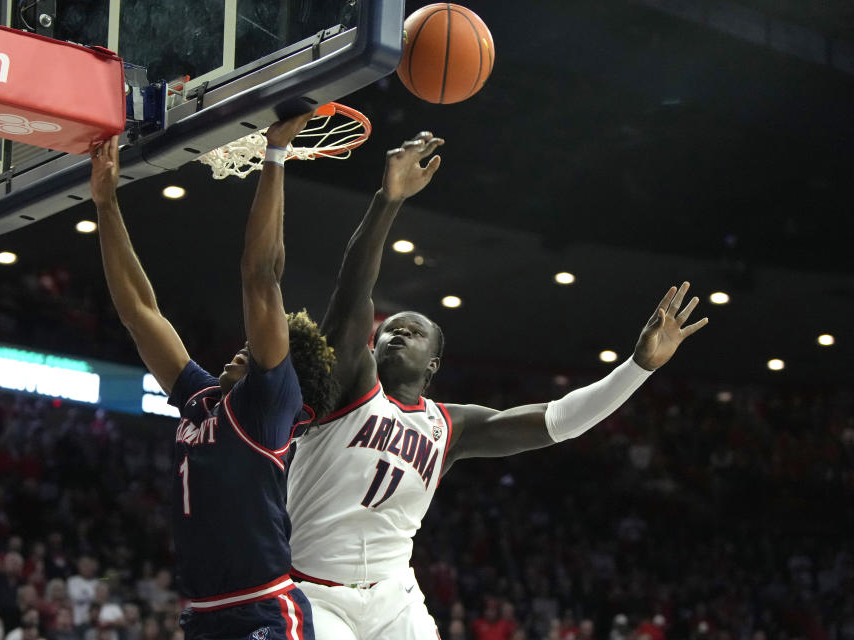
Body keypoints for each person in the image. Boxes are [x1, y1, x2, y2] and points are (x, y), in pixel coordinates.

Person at [286, 131, 709, 639]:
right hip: (314, 590)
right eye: (388, 328)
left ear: (434, 363)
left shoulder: (451, 427)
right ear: (370, 346)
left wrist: (637, 367)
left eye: (413, 329)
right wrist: (387, 201)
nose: (396, 331)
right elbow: (353, 292)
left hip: (393, 597)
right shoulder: (348, 387)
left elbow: (559, 422)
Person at [89, 111, 338, 639]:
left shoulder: (269, 408)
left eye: (253, 351)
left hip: (263, 611)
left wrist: (274, 156)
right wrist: (107, 203)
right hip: (204, 615)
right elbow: (140, 311)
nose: (240, 352)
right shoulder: (201, 399)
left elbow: (260, 275)